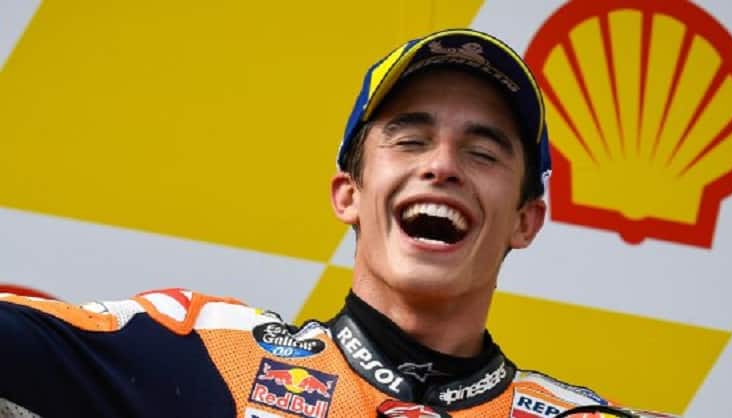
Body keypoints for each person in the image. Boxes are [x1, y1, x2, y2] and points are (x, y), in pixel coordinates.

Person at [0, 29, 676, 418]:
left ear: (526, 221)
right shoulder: (208, 356)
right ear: (347, 194)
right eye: (410, 140)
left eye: (482, 151)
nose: (442, 166)